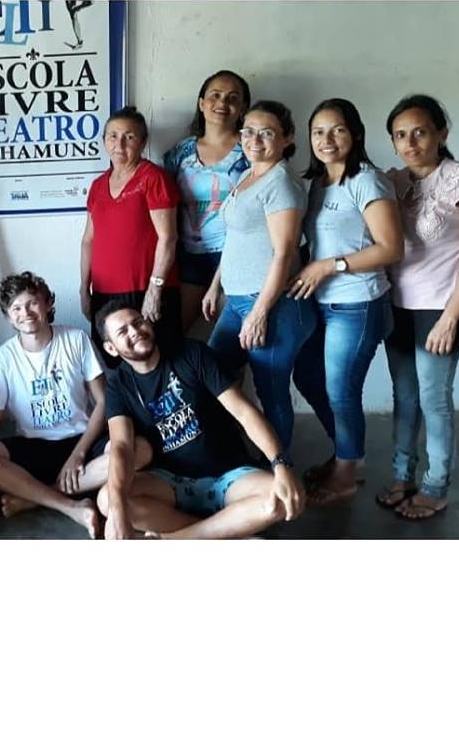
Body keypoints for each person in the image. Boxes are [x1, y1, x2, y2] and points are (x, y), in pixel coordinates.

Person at [0, 271, 152, 538]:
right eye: (16, 308)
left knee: (140, 449)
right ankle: (71, 506)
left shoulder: (75, 339)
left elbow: (104, 402)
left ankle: (35, 497)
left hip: (82, 439)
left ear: (48, 303)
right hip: (35, 446)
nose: (26, 313)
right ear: (8, 317)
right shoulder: (3, 359)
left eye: (32, 303)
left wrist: (79, 453)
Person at [95, 300, 304, 539]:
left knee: (281, 500)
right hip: (171, 483)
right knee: (107, 500)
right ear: (111, 348)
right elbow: (121, 446)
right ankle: (227, 529)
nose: (135, 331)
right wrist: (118, 509)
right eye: (123, 331)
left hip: (228, 475)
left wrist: (280, 464)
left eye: (137, 322)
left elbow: (243, 412)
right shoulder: (118, 384)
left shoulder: (192, 353)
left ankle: (177, 539)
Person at [377, 95, 459, 520]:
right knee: (404, 397)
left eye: (420, 132)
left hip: (440, 310)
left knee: (434, 401)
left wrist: (450, 318)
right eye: (400, 135)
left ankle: (435, 486)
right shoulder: (392, 181)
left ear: (441, 133)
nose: (410, 143)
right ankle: (401, 476)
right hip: (397, 308)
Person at [289, 99, 402, 503]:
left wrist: (328, 266)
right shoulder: (318, 184)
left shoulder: (367, 181)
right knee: (308, 377)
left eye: (337, 130)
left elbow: (391, 248)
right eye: (318, 132)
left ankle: (347, 472)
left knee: (341, 390)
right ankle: (345, 455)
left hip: (358, 304)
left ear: (355, 134)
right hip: (321, 303)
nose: (327, 139)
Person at [203, 99, 314, 457]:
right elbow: (237, 239)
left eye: (266, 133)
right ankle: (231, 458)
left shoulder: (281, 183)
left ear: (287, 138)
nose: (254, 140)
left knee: (271, 391)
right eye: (248, 131)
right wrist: (215, 285)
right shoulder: (247, 176)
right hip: (238, 301)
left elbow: (284, 253)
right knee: (213, 377)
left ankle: (277, 471)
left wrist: (259, 313)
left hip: (270, 303)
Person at [80, 107, 180, 364]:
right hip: (104, 295)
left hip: (146, 291)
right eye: (112, 136)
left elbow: (168, 238)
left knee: (156, 364)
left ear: (143, 142)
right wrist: (84, 289)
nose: (119, 144)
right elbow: (88, 240)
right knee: (111, 365)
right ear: (104, 140)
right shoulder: (97, 186)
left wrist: (155, 290)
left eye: (129, 137)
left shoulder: (153, 178)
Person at [163, 70, 251, 332]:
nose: (223, 103)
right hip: (188, 257)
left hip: (236, 256)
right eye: (215, 95)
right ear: (201, 103)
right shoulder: (182, 152)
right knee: (173, 333)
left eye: (232, 97)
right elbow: (165, 205)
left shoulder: (251, 150)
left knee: (234, 341)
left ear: (243, 108)